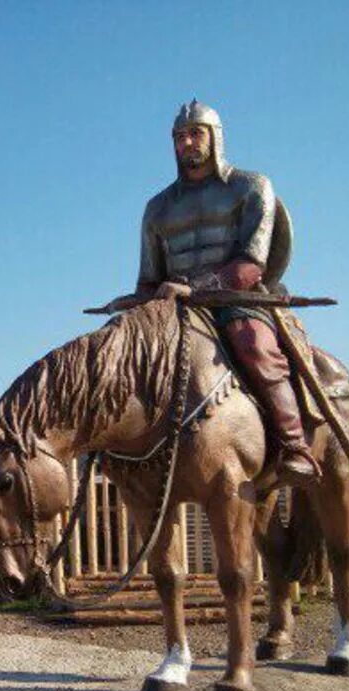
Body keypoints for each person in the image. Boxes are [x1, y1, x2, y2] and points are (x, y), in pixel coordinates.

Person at [137, 100, 319, 485]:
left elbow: (252, 264)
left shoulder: (251, 186)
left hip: (237, 301)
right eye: (179, 137)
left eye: (195, 133)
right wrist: (139, 302)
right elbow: (149, 279)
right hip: (174, 310)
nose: (187, 142)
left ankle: (293, 444)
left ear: (215, 137)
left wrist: (191, 288)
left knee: (252, 343)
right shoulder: (157, 208)